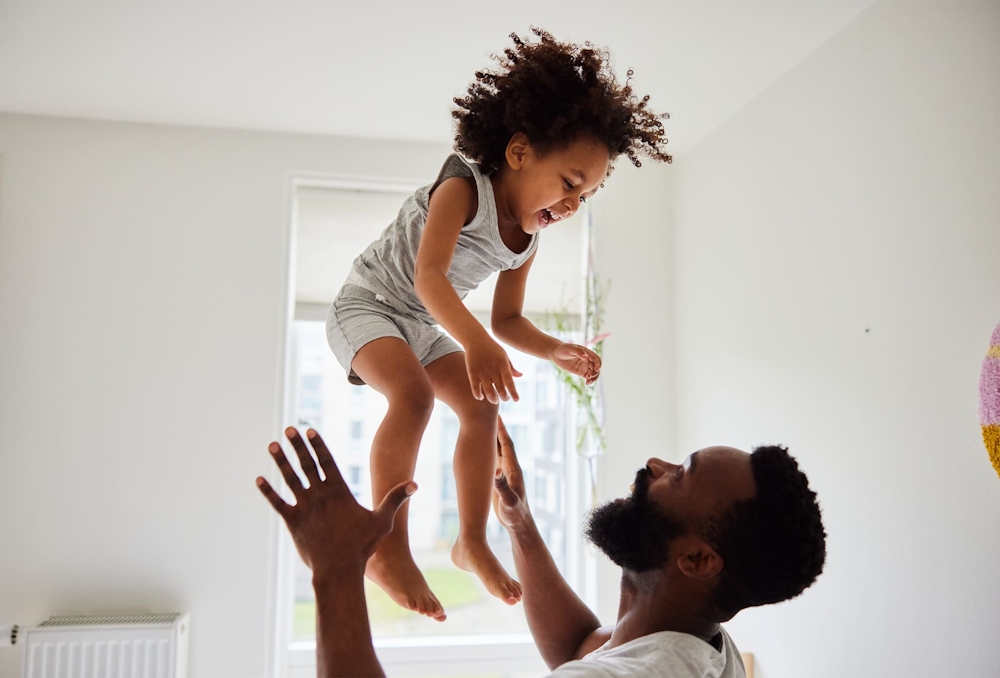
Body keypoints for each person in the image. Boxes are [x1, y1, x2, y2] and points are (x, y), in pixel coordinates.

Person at [325, 27, 671, 621]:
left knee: (482, 409)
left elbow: (507, 320)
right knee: (411, 397)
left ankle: (472, 541)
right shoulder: (462, 185)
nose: (572, 204)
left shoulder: (526, 239)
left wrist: (557, 349)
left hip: (426, 323)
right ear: (518, 153)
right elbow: (430, 275)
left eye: (586, 196)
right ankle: (387, 545)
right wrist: (476, 341)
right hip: (369, 304)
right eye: (569, 183)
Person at [256, 419, 827, 678]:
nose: (655, 465)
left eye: (681, 474)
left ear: (698, 560)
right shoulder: (702, 647)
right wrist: (519, 525)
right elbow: (584, 647)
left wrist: (334, 569)